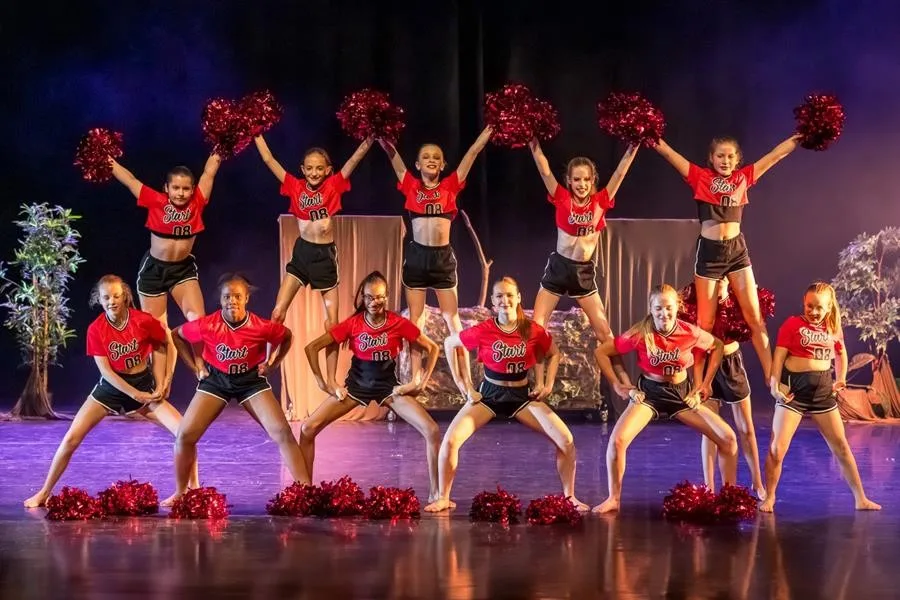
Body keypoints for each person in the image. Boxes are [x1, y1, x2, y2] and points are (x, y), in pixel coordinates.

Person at [23, 275, 198, 507]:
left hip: (143, 384)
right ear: (99, 299)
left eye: (116, 296)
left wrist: (166, 380)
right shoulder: (96, 329)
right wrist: (134, 395)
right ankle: (44, 492)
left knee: (185, 434)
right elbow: (106, 373)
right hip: (111, 388)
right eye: (106, 297)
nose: (111, 301)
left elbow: (168, 342)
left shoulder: (142, 320)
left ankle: (192, 489)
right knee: (71, 439)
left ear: (125, 296)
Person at [424, 276, 588, 513]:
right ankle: (443, 498)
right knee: (450, 442)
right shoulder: (485, 329)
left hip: (521, 397)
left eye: (509, 295)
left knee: (566, 441)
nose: (505, 300)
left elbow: (553, 354)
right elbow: (450, 344)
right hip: (490, 394)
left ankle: (570, 497)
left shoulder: (532, 329)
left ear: (519, 298)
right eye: (499, 296)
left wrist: (548, 384)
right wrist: (465, 386)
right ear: (492, 301)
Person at [653, 133, 802, 381]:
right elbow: (670, 155)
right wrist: (649, 135)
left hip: (736, 251)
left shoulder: (743, 178)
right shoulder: (700, 177)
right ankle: (699, 383)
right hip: (709, 253)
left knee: (754, 316)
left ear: (737, 160)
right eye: (720, 155)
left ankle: (771, 378)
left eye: (730, 156)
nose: (725, 160)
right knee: (706, 323)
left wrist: (800, 138)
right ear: (711, 158)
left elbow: (775, 156)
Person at [593, 283, 738, 513]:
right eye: (658, 308)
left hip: (681, 395)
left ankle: (729, 498)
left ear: (677, 307)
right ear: (651, 308)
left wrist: (704, 384)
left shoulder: (688, 331)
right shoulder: (641, 333)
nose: (664, 313)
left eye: (669, 308)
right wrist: (619, 386)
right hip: (649, 393)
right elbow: (602, 351)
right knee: (617, 441)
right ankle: (614, 499)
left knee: (728, 439)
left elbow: (717, 346)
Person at [300, 271, 443, 500]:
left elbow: (432, 348)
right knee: (307, 429)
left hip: (388, 389)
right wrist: (325, 383)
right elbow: (311, 348)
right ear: (362, 299)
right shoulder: (353, 324)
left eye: (379, 297)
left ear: (386, 297)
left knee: (433, 430)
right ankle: (304, 491)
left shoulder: (397, 323)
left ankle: (437, 494)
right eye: (369, 297)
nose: (374, 302)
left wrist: (420, 382)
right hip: (356, 388)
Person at [168, 274, 310, 504]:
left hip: (250, 382)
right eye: (226, 297)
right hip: (216, 381)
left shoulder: (261, 326)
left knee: (283, 433)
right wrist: (197, 366)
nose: (231, 301)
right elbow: (177, 335)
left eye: (237, 296)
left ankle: (306, 491)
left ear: (246, 299)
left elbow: (286, 337)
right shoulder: (208, 324)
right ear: (220, 300)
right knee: (184, 436)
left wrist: (273, 363)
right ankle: (180, 492)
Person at [254, 134, 374, 387]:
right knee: (277, 312)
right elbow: (268, 159)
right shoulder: (295, 186)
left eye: (320, 168)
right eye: (309, 168)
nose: (314, 172)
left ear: (328, 170)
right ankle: (268, 361)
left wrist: (371, 137)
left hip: (324, 258)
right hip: (302, 255)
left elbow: (355, 158)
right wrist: (257, 132)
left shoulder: (334, 185)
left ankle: (330, 379)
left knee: (332, 323)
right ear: (302, 169)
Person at [378, 126, 492, 386]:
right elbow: (392, 156)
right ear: (417, 164)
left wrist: (489, 130)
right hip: (417, 258)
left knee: (453, 321)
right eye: (426, 156)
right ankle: (415, 379)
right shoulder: (410, 186)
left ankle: (465, 385)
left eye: (436, 157)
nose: (431, 159)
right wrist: (382, 137)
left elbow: (473, 153)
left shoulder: (451, 185)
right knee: (415, 321)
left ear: (442, 164)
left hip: (442, 260)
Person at [761, 282, 881, 512]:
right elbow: (778, 358)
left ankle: (860, 498)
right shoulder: (792, 324)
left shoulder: (833, 327)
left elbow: (841, 353)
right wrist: (775, 384)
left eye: (819, 308)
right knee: (777, 449)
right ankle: (770, 497)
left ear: (828, 308)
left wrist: (841, 378)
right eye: (809, 306)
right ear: (803, 303)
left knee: (842, 447)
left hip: (823, 394)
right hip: (794, 393)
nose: (814, 312)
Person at [528, 138, 638, 386]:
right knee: (536, 328)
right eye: (576, 179)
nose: (581, 184)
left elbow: (620, 173)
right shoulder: (561, 198)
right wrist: (533, 142)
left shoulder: (601, 201)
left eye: (586, 179)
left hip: (583, 273)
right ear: (569, 181)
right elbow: (544, 169)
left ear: (593, 180)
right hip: (558, 269)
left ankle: (623, 383)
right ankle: (538, 384)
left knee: (605, 333)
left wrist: (633, 147)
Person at [110, 153, 222, 395]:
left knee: (197, 321)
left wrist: (220, 147)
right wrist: (109, 162)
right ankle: (160, 387)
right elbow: (129, 180)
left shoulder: (198, 202)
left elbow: (209, 172)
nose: (181, 193)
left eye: (185, 189)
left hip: (182, 270)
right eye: (176, 188)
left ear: (193, 190)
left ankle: (200, 368)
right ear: (167, 188)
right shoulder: (155, 201)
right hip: (153, 271)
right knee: (158, 333)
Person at [697, 279, 765, 499]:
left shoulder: (738, 298)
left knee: (746, 428)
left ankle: (757, 482)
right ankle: (709, 486)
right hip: (707, 363)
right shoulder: (698, 293)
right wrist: (699, 380)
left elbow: (744, 327)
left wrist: (725, 294)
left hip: (731, 363)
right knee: (710, 430)